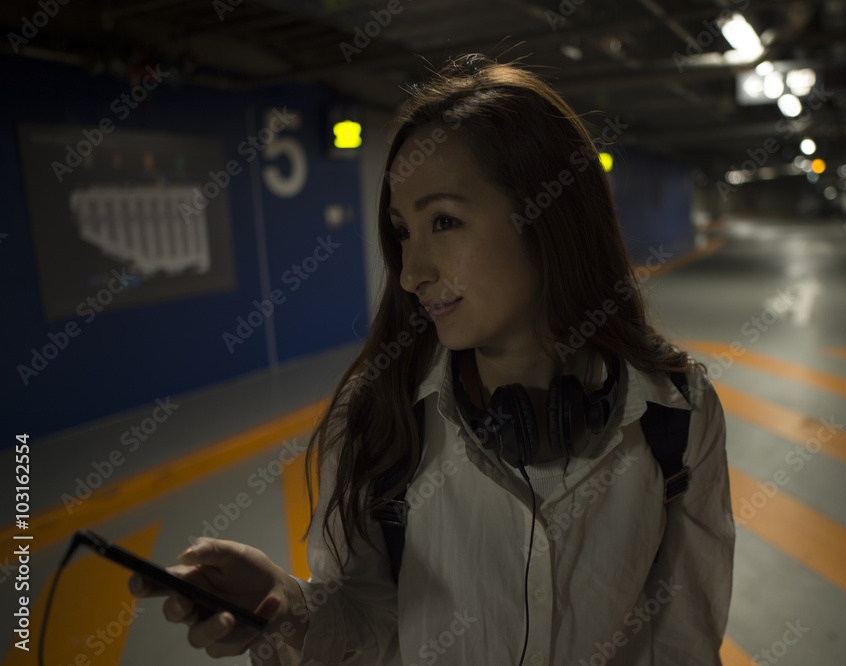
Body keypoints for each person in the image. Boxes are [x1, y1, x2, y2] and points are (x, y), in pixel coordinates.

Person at [129, 53, 735, 665]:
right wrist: (285, 611)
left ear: (549, 216)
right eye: (403, 232)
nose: (413, 272)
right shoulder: (376, 416)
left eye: (444, 221)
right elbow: (365, 621)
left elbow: (683, 641)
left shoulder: (676, 416)